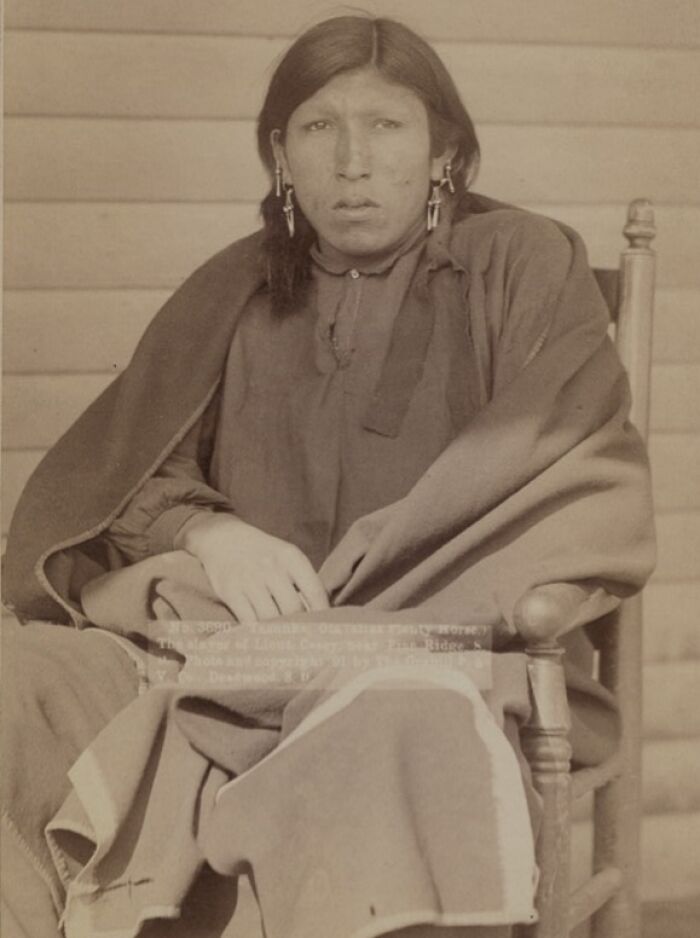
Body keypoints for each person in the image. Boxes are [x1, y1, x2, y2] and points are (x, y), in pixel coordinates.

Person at [2, 15, 655, 938]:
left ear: (443, 153)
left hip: (432, 645)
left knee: (388, 720)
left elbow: (563, 471)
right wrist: (211, 534)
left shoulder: (519, 265)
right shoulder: (234, 290)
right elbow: (126, 478)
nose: (352, 160)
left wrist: (336, 627)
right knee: (11, 684)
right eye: (318, 128)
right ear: (281, 153)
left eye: (387, 126)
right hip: (216, 642)